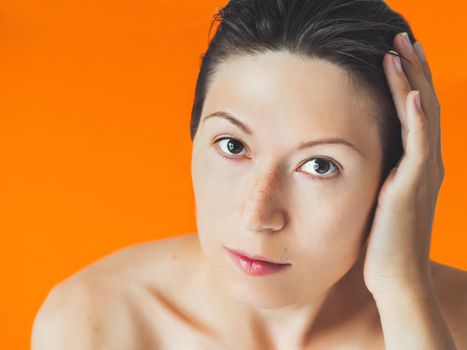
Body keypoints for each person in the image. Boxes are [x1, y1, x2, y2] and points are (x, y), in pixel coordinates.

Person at [32, 0, 467, 349]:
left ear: (397, 177)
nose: (257, 215)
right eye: (233, 146)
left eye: (320, 165)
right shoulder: (94, 323)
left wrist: (402, 290)